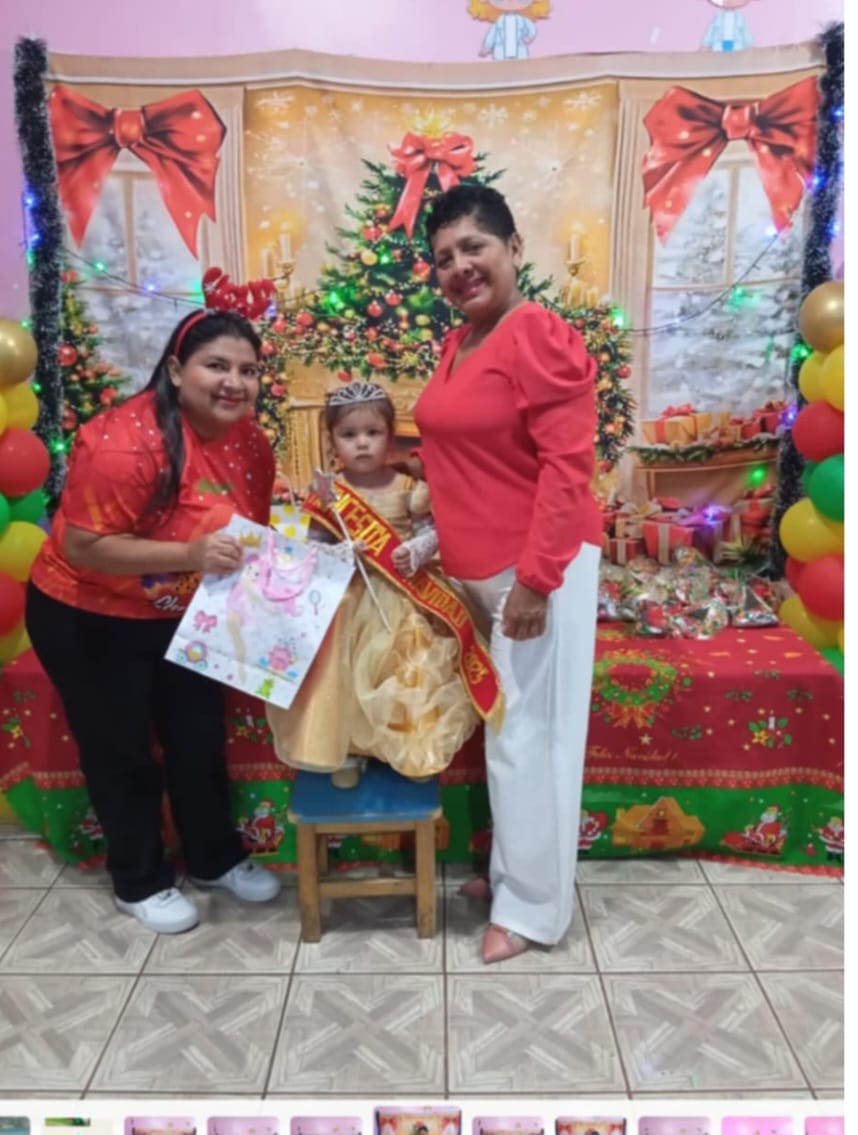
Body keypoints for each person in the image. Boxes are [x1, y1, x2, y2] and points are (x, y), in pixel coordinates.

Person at [26, 309, 282, 934]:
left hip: (183, 612)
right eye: (216, 365)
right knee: (121, 749)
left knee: (197, 736)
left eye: (248, 370)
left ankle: (214, 858)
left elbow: (248, 534)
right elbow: (83, 545)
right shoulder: (124, 442)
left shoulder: (251, 443)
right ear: (175, 369)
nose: (235, 383)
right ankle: (138, 880)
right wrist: (190, 554)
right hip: (90, 612)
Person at [414, 183, 602, 963]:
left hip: (536, 569)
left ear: (514, 249)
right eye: (444, 257)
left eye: (475, 247)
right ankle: (513, 873)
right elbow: (469, 461)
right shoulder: (461, 342)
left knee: (532, 739)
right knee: (509, 730)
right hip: (484, 571)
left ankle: (531, 909)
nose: (459, 267)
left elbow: (568, 466)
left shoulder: (537, 333)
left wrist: (536, 579)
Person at [266, 380, 499, 788]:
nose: (362, 443)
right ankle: (349, 749)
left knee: (409, 673)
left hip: (405, 594)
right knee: (344, 678)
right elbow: (309, 549)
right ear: (332, 440)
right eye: (349, 434)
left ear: (389, 437)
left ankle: (411, 747)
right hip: (347, 598)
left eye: (372, 433)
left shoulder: (410, 488)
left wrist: (418, 549)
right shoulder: (330, 494)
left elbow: (434, 532)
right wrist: (341, 553)